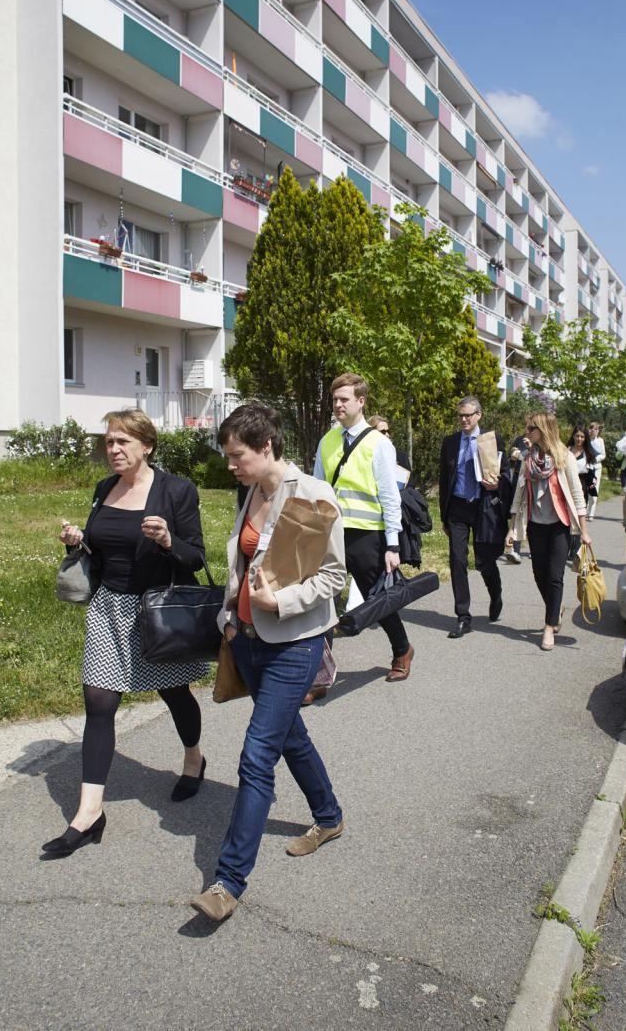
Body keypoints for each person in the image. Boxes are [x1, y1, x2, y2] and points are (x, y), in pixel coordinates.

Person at [190, 402, 345, 923]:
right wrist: (228, 624)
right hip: (248, 641)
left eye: (237, 455)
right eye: (228, 456)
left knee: (257, 755)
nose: (230, 465)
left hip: (295, 643)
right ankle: (329, 816)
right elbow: (240, 568)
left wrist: (284, 603)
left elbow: (333, 577)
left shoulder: (313, 495)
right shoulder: (250, 492)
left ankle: (227, 882)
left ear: (267, 447)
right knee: (289, 737)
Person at [44, 409, 209, 858]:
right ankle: (88, 814)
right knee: (99, 703)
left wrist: (168, 542)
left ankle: (193, 758)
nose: (113, 450)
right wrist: (79, 543)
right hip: (109, 609)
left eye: (122, 442)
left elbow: (196, 558)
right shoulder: (104, 490)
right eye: (109, 442)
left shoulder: (176, 491)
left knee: (175, 692)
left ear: (147, 445)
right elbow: (103, 551)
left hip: (157, 610)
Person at [314, 374, 414, 683]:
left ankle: (402, 648)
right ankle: (319, 674)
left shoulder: (378, 443)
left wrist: (393, 545)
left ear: (361, 401)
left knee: (376, 600)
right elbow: (318, 488)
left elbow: (389, 496)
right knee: (322, 602)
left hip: (366, 535)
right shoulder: (327, 440)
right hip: (331, 534)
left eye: (344, 399)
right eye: (335, 400)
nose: (338, 404)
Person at [505, 412, 591, 651]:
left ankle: (548, 626)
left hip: (559, 525)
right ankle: (556, 607)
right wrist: (512, 528)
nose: (527, 433)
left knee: (554, 576)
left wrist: (583, 530)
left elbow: (577, 495)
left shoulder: (564, 458)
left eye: (530, 428)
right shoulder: (528, 458)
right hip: (534, 524)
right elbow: (519, 495)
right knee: (538, 574)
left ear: (543, 429)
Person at [439, 396, 510, 639]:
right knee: (457, 560)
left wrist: (496, 485)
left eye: (468, 415)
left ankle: (496, 593)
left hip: (483, 507)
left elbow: (506, 474)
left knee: (484, 561)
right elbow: (443, 480)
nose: (463, 419)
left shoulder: (491, 439)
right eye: (460, 415)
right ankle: (463, 616)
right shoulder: (450, 442)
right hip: (458, 507)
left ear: (479, 414)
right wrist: (444, 515)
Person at [566, 426, 597, 562]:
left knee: (579, 516)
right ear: (573, 436)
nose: (579, 439)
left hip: (581, 485)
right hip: (566, 485)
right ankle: (565, 547)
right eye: (577, 436)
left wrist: (592, 484)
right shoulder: (566, 451)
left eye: (582, 437)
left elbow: (592, 474)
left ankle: (575, 551)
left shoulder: (588, 454)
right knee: (566, 516)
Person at [504, 431, 531, 563]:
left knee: (530, 516)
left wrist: (521, 455)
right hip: (518, 480)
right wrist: (513, 456)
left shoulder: (540, 442)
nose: (529, 429)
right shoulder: (519, 439)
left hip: (533, 482)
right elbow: (510, 459)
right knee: (517, 512)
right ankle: (515, 549)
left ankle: (536, 549)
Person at [586, 421, 606, 521]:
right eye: (592, 428)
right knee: (586, 489)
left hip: (597, 468)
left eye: (597, 429)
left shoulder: (600, 441)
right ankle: (584, 510)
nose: (594, 431)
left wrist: (595, 459)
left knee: (593, 491)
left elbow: (603, 455)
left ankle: (591, 513)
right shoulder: (585, 440)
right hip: (587, 468)